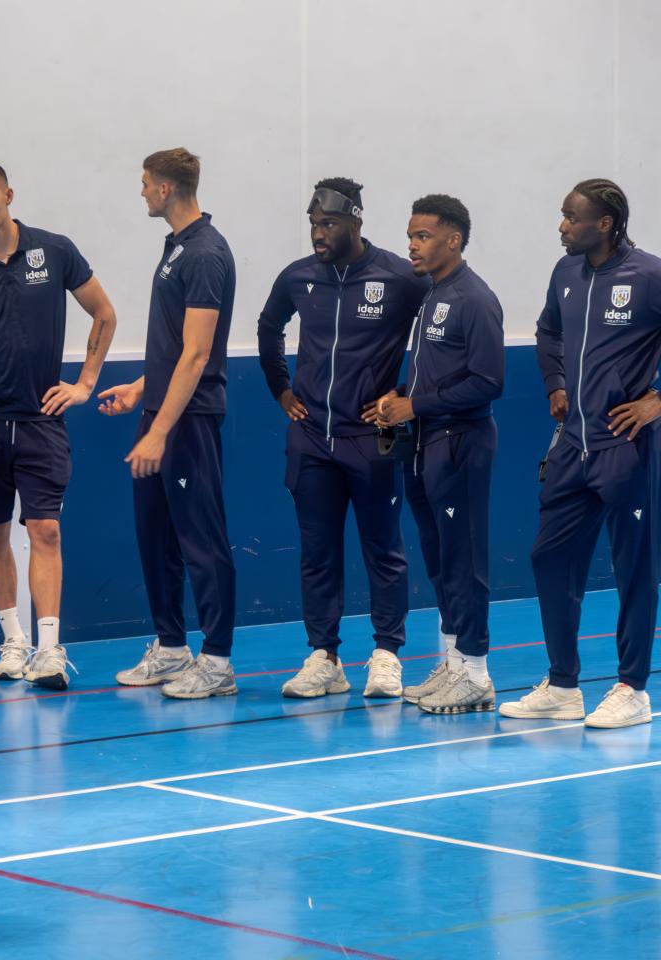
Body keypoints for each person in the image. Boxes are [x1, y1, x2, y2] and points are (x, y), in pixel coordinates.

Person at [0, 161, 117, 690]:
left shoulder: (54, 251)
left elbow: (104, 314)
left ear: (9, 195)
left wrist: (84, 384)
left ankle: (49, 649)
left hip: (41, 421)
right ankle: (13, 640)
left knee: (46, 529)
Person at [257, 178, 429, 699]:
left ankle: (386, 655)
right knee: (317, 552)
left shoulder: (399, 279)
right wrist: (281, 391)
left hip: (369, 440)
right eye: (313, 223)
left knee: (383, 549)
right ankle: (324, 657)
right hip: (311, 440)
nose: (318, 233)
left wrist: (403, 394)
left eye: (328, 223)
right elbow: (269, 327)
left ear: (355, 221)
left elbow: (439, 336)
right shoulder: (300, 277)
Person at [499, 179, 661, 729]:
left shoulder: (649, 275)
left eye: (572, 217)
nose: (562, 226)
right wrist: (555, 386)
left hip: (625, 447)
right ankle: (564, 684)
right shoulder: (565, 274)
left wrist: (655, 402)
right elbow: (548, 334)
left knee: (633, 567)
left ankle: (632, 688)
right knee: (549, 557)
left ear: (606, 223)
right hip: (572, 447)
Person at [98, 148, 238, 698]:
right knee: (155, 536)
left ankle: (219, 660)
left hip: (188, 420)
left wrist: (160, 429)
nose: (141, 193)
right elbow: (174, 346)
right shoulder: (176, 248)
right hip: (159, 411)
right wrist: (140, 390)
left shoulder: (205, 253)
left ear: (165, 190)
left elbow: (198, 354)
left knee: (201, 539)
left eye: (145, 184)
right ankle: (172, 647)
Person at [372, 195, 504, 713]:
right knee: (440, 560)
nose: (412, 245)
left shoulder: (474, 298)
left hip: (461, 446)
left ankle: (475, 671)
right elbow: (438, 374)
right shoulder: (432, 295)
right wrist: (399, 397)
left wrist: (415, 405)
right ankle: (452, 663)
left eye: (422, 236)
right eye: (410, 236)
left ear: (453, 238)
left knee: (465, 562)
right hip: (426, 446)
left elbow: (489, 382)